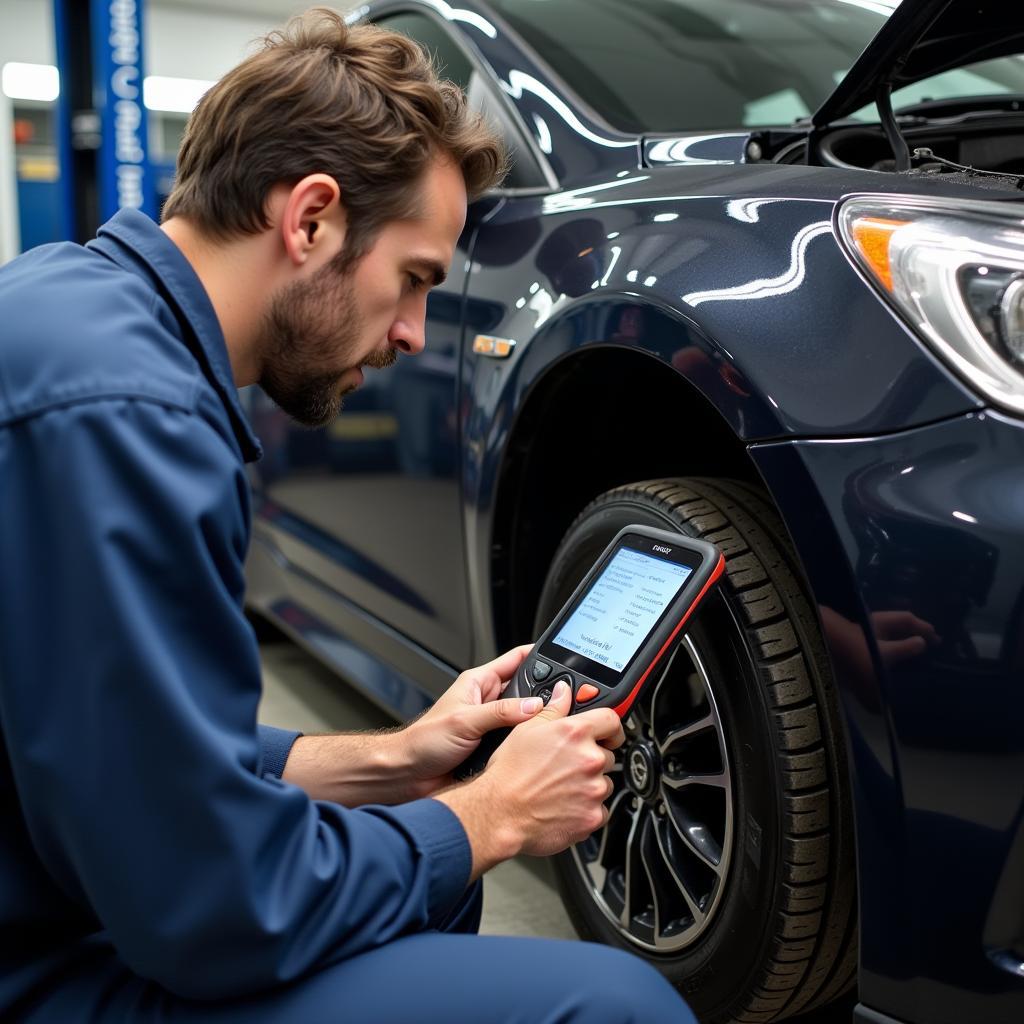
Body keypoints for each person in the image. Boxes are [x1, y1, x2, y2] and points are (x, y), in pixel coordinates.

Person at [0, 9, 697, 1023]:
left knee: (428, 865)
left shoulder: (73, 310)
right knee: (615, 1004)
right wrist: (489, 814)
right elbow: (211, 907)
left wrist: (399, 758)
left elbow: (148, 755)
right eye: (412, 278)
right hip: (36, 971)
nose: (414, 332)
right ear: (313, 219)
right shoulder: (128, 416)